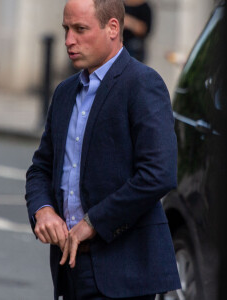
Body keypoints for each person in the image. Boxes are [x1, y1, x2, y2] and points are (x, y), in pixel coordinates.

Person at [25, 0, 181, 299]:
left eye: (80, 29)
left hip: (126, 273)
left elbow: (159, 174)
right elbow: (41, 168)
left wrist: (94, 222)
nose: (69, 40)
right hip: (69, 268)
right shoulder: (65, 92)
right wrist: (43, 211)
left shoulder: (142, 83)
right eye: (66, 29)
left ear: (112, 28)